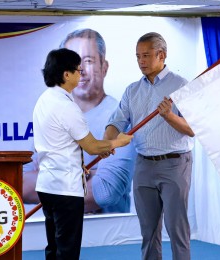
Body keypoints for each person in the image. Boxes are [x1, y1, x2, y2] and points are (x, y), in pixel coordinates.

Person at [23, 28, 136, 213]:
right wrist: (88, 173)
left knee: (57, 240)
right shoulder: (58, 106)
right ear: (65, 73)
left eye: (88, 61)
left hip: (102, 228)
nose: (81, 70)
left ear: (104, 67)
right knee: (65, 242)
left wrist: (52, 175)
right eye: (75, 66)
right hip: (66, 203)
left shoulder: (120, 117)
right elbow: (22, 183)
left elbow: (105, 192)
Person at [34, 48, 133, 259]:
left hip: (48, 185)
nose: (81, 75)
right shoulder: (66, 107)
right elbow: (92, 147)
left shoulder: (44, 99)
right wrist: (119, 141)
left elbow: (58, 145)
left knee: (54, 247)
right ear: (66, 74)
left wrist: (79, 163)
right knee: (67, 250)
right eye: (78, 70)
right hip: (65, 189)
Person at [104, 32, 194, 260]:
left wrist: (169, 116)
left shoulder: (181, 86)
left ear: (161, 55)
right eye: (137, 57)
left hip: (175, 164)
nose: (141, 61)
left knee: (177, 230)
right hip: (144, 165)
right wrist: (106, 143)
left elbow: (194, 128)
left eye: (146, 55)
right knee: (149, 232)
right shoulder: (132, 90)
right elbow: (116, 122)